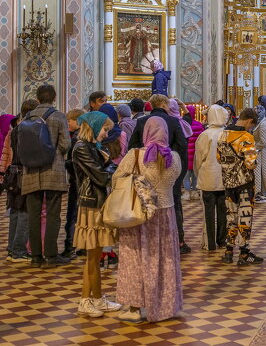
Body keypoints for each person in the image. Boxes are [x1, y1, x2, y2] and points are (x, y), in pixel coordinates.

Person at [115, 117, 183, 323]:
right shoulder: (175, 158)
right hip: (165, 213)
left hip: (139, 214)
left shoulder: (134, 156)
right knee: (164, 259)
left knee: (135, 257)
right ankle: (164, 305)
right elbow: (174, 180)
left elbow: (116, 179)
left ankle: (134, 308)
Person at [69, 110, 123, 318]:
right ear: (93, 127)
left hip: (99, 202)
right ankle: (85, 300)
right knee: (92, 256)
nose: (106, 133)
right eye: (104, 129)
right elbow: (100, 176)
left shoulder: (93, 147)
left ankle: (98, 298)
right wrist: (116, 172)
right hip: (91, 204)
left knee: (96, 254)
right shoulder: (82, 148)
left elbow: (110, 167)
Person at [132, 93, 190, 254]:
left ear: (151, 104)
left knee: (146, 203)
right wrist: (175, 167)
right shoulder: (173, 121)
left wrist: (145, 160)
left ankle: (147, 240)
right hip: (169, 169)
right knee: (174, 203)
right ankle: (178, 240)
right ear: (165, 105)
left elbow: (133, 146)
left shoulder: (142, 121)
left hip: (146, 170)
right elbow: (182, 146)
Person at [20, 84, 71, 267]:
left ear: (38, 98)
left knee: (33, 215)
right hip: (53, 170)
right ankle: (51, 255)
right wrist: (56, 151)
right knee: (52, 214)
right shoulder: (58, 116)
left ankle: (35, 257)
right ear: (54, 97)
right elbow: (65, 144)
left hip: (31, 170)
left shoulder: (28, 116)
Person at [218, 107, 262, 265]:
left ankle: (228, 252)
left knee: (231, 216)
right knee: (244, 218)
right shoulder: (246, 136)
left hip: (228, 183)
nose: (251, 128)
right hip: (244, 184)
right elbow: (250, 164)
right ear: (250, 121)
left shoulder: (223, 134)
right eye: (252, 125)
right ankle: (244, 254)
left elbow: (218, 158)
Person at [0, 98, 36, 262]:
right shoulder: (30, 130)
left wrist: (1, 170)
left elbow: (5, 152)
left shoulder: (13, 130)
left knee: (14, 211)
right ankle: (19, 250)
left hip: (12, 174)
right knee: (24, 213)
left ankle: (12, 248)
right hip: (23, 174)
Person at [195, 104, 230, 251]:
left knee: (208, 212)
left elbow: (199, 157)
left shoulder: (206, 135)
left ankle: (209, 243)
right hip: (224, 178)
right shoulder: (227, 133)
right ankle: (222, 240)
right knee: (223, 211)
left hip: (208, 177)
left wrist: (197, 174)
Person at [61, 108, 83, 259]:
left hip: (77, 182)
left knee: (73, 215)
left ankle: (70, 245)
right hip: (80, 181)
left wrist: (63, 163)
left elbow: (74, 163)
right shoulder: (81, 136)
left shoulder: (76, 139)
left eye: (69, 120)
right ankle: (81, 245)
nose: (67, 123)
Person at [252, 96, 266, 203]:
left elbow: (264, 141)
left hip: (261, 152)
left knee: (262, 172)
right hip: (258, 152)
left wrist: (254, 147)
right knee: (258, 172)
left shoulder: (263, 124)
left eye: (256, 111)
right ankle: (259, 192)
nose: (254, 113)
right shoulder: (258, 123)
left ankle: (263, 193)